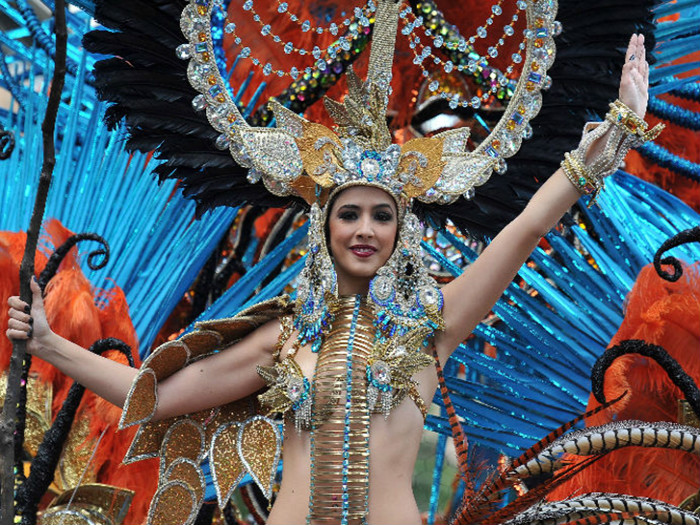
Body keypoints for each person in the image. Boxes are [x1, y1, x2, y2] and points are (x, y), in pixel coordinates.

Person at [6, 26, 659, 525]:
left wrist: (615, 132)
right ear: (325, 225)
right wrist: (49, 345)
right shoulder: (285, 340)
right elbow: (151, 394)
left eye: (382, 214)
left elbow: (524, 230)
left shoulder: (433, 322)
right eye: (349, 213)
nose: (365, 229)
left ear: (401, 229)